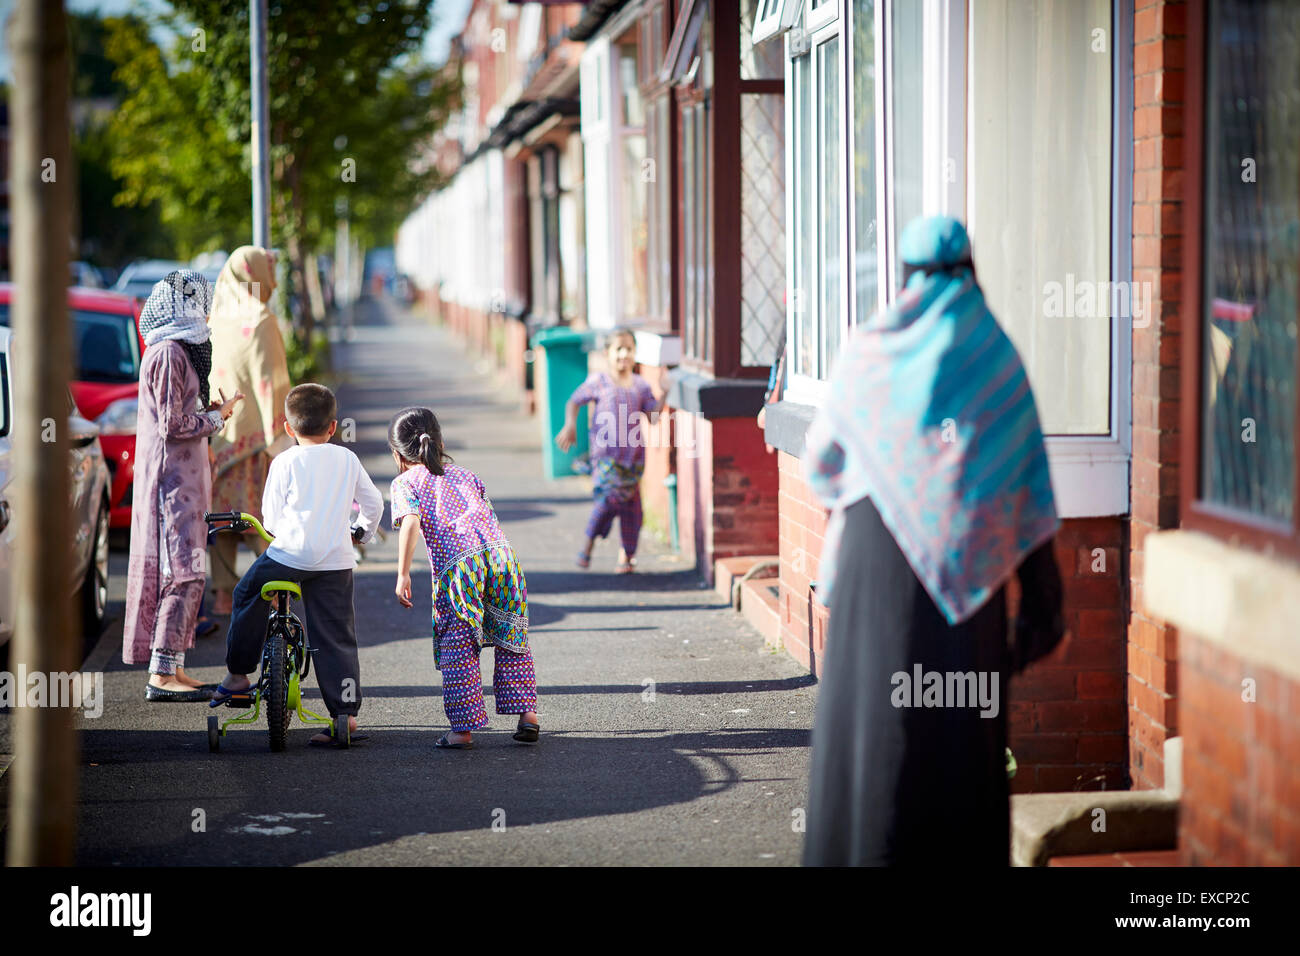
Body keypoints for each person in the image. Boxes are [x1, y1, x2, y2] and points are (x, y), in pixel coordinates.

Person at [801, 216, 1066, 866]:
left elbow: (824, 464)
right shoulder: (997, 358)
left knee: (870, 733)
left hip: (872, 568)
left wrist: (887, 474)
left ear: (905, 276)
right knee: (957, 749)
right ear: (971, 272)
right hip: (963, 584)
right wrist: (1043, 601)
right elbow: (1024, 484)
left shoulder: (868, 349)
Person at [210, 384, 383, 746]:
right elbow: (374, 505)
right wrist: (360, 534)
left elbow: (271, 520)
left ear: (289, 429)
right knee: (336, 634)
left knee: (246, 594)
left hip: (288, 556)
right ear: (333, 428)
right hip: (335, 561)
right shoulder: (347, 460)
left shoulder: (284, 461)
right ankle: (345, 716)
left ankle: (239, 675)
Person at [123, 270, 244, 701]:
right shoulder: (169, 353)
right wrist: (217, 418)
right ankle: (162, 673)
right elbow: (173, 424)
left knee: (189, 572)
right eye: (199, 301)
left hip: (185, 479)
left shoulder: (175, 350)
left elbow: (178, 414)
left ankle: (171, 666)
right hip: (171, 482)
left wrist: (211, 412)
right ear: (183, 306)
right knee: (181, 572)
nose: (205, 309)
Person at [389, 406, 539, 749]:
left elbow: (410, 522)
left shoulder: (404, 483)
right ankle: (527, 714)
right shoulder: (466, 474)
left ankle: (462, 730)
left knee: (458, 644)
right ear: (439, 442)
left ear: (397, 455)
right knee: (510, 633)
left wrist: (402, 573)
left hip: (460, 568)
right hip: (503, 558)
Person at [207, 246, 293, 615]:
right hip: (259, 441)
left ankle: (224, 598)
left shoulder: (214, 316)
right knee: (262, 521)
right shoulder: (261, 320)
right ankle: (274, 595)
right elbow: (272, 382)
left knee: (223, 521)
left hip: (218, 433)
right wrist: (284, 428)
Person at [554, 328, 662, 573]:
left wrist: (664, 392)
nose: (624, 354)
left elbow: (653, 417)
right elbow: (574, 400)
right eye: (619, 349)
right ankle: (588, 543)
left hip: (633, 459)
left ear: (636, 354)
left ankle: (627, 556)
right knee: (607, 501)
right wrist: (570, 424)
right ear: (607, 353)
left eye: (629, 349)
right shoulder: (599, 382)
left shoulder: (642, 386)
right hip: (605, 458)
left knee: (632, 509)